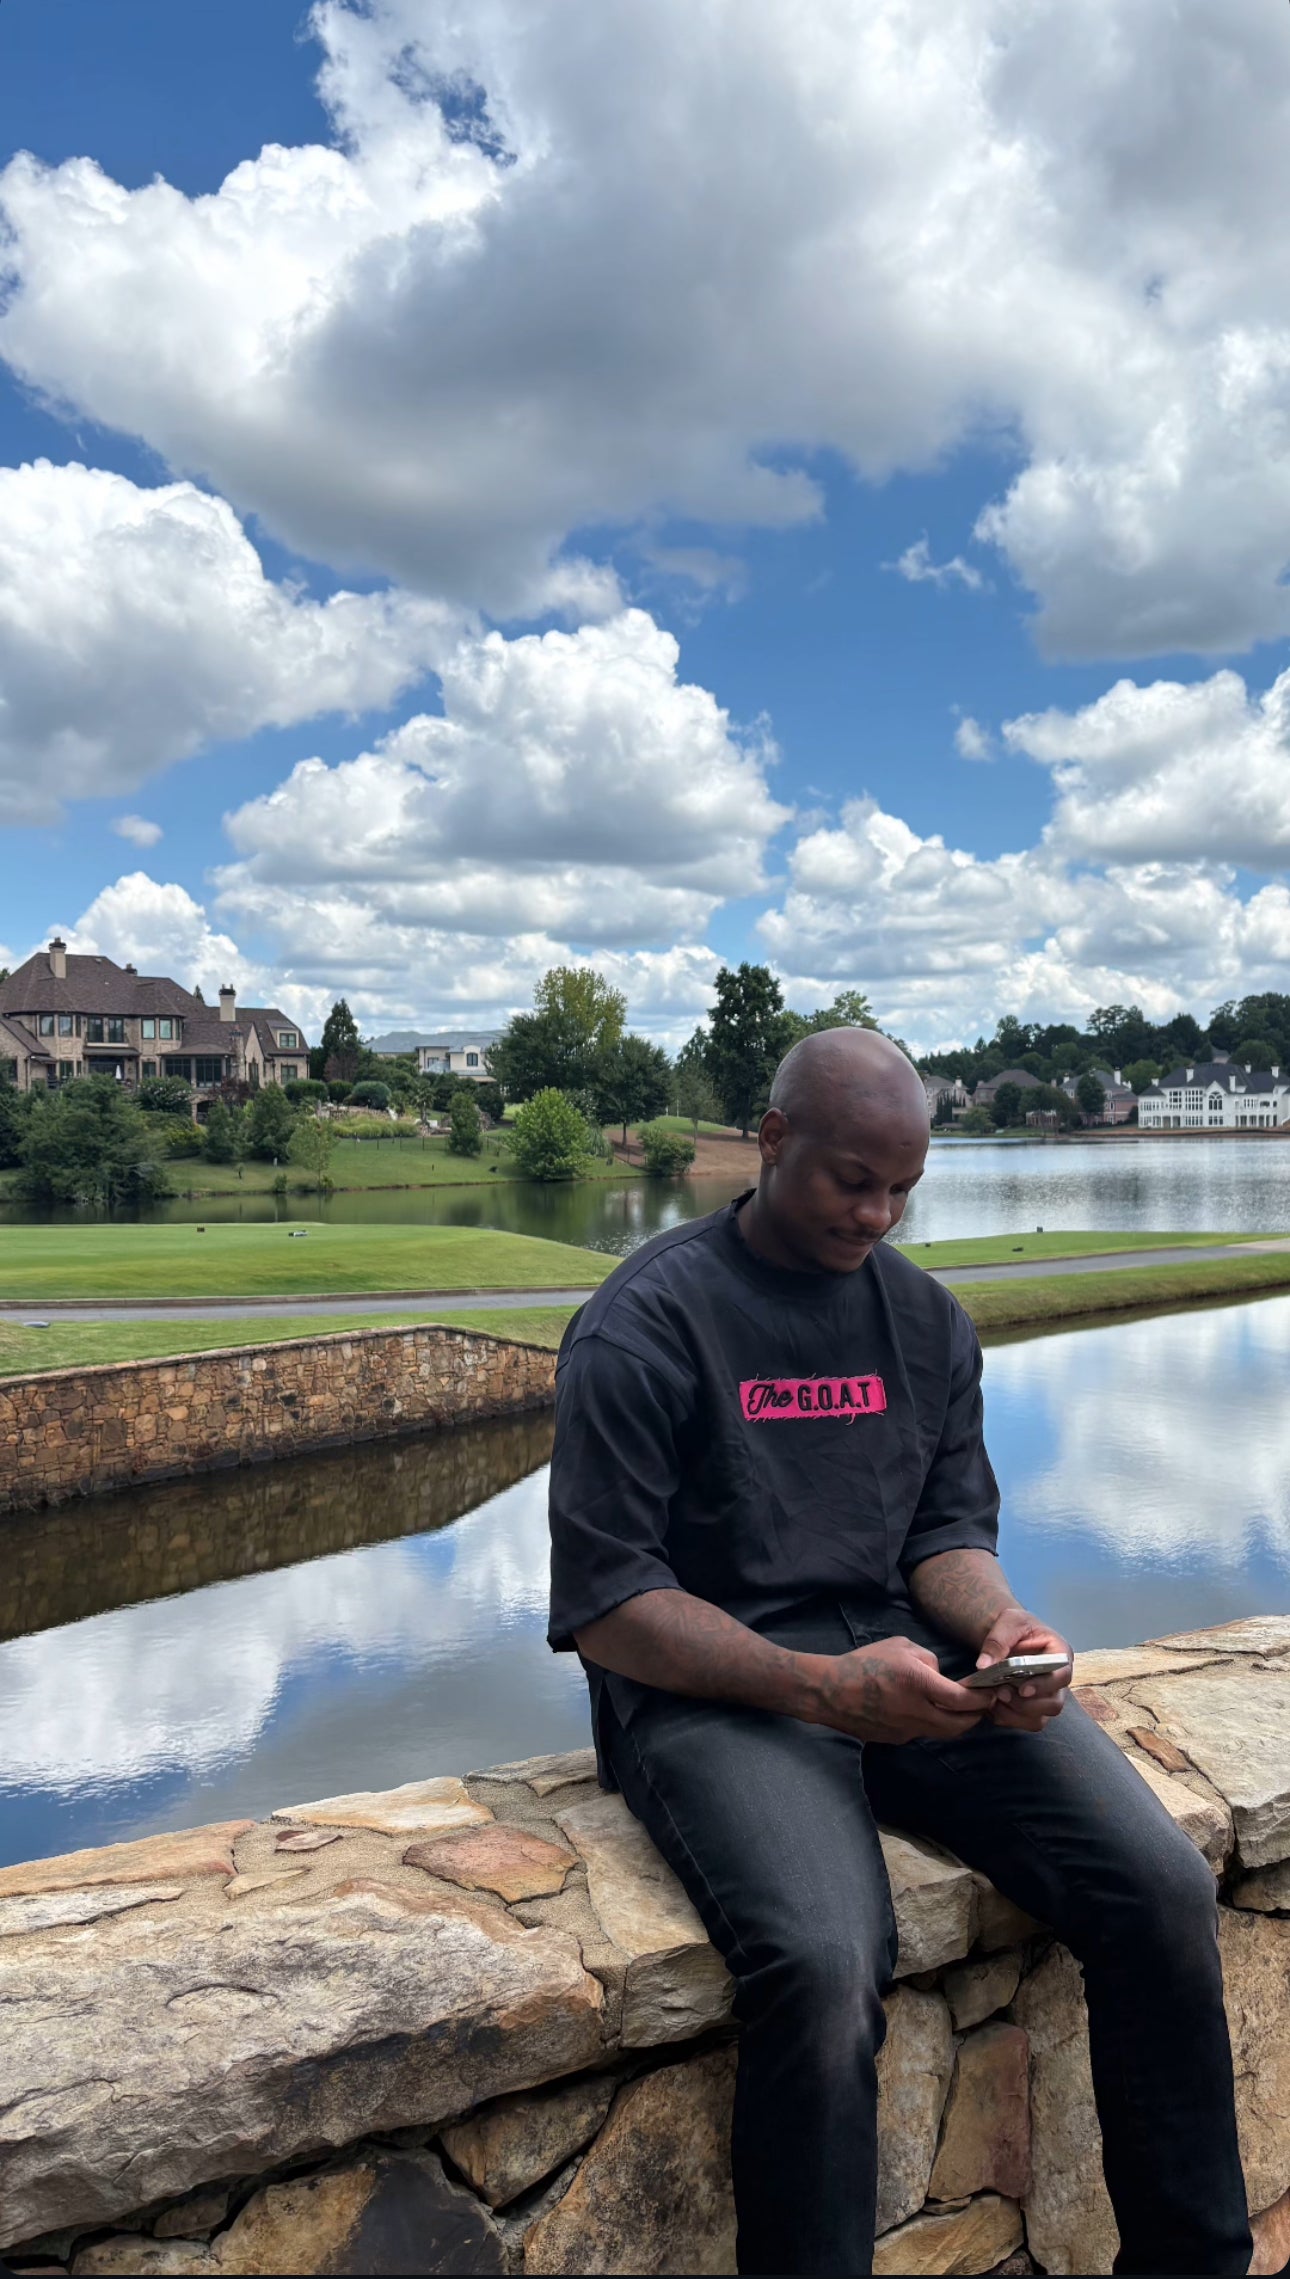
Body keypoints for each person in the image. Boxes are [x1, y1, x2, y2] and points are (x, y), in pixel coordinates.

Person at [547, 1028, 1252, 2278]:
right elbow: (612, 1603)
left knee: (1159, 1887)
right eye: (851, 1180)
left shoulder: (927, 1323)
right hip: (718, 1692)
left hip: (915, 1671)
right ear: (771, 1143)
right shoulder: (643, 1323)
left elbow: (944, 1532)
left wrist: (997, 1624)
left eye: (902, 1188)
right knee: (823, 1964)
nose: (878, 1214)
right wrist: (823, 1686)